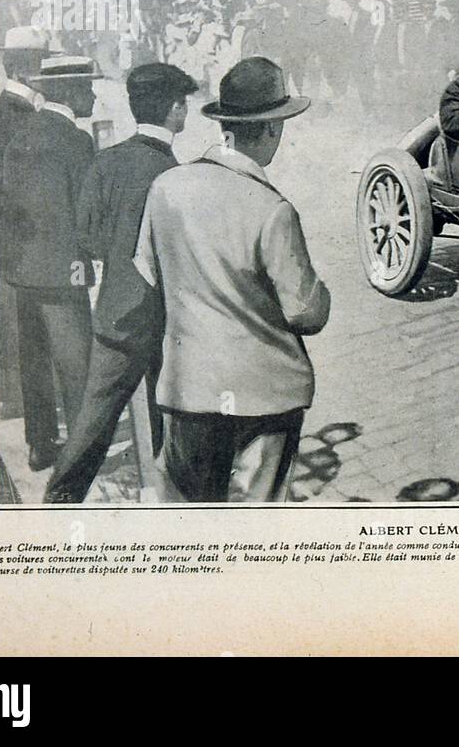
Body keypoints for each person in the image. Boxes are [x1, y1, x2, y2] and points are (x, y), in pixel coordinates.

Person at [133, 57, 331, 502]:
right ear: (269, 130)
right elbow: (305, 312)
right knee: (254, 523)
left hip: (187, 390)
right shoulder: (272, 209)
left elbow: (147, 271)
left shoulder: (166, 186)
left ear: (225, 125)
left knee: (192, 514)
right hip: (265, 396)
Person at [44, 63, 199, 504]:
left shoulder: (106, 160)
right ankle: (171, 499)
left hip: (115, 314)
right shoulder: (174, 173)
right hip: (165, 319)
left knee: (95, 418)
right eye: (183, 102)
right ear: (173, 111)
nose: (185, 109)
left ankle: (58, 498)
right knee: (169, 413)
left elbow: (87, 235)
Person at [3, 55, 101, 472]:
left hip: (23, 269)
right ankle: (82, 452)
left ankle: (40, 444)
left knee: (35, 361)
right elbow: (86, 213)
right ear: (72, 91)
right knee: (76, 362)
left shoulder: (20, 134)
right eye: (89, 87)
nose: (94, 94)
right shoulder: (76, 141)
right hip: (65, 270)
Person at [0, 27, 48, 420]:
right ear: (28, 70)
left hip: (10, 237)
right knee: (24, 324)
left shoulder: (0, 112)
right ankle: (24, 403)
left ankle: (21, 400)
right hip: (20, 239)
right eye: (42, 64)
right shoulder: (16, 117)